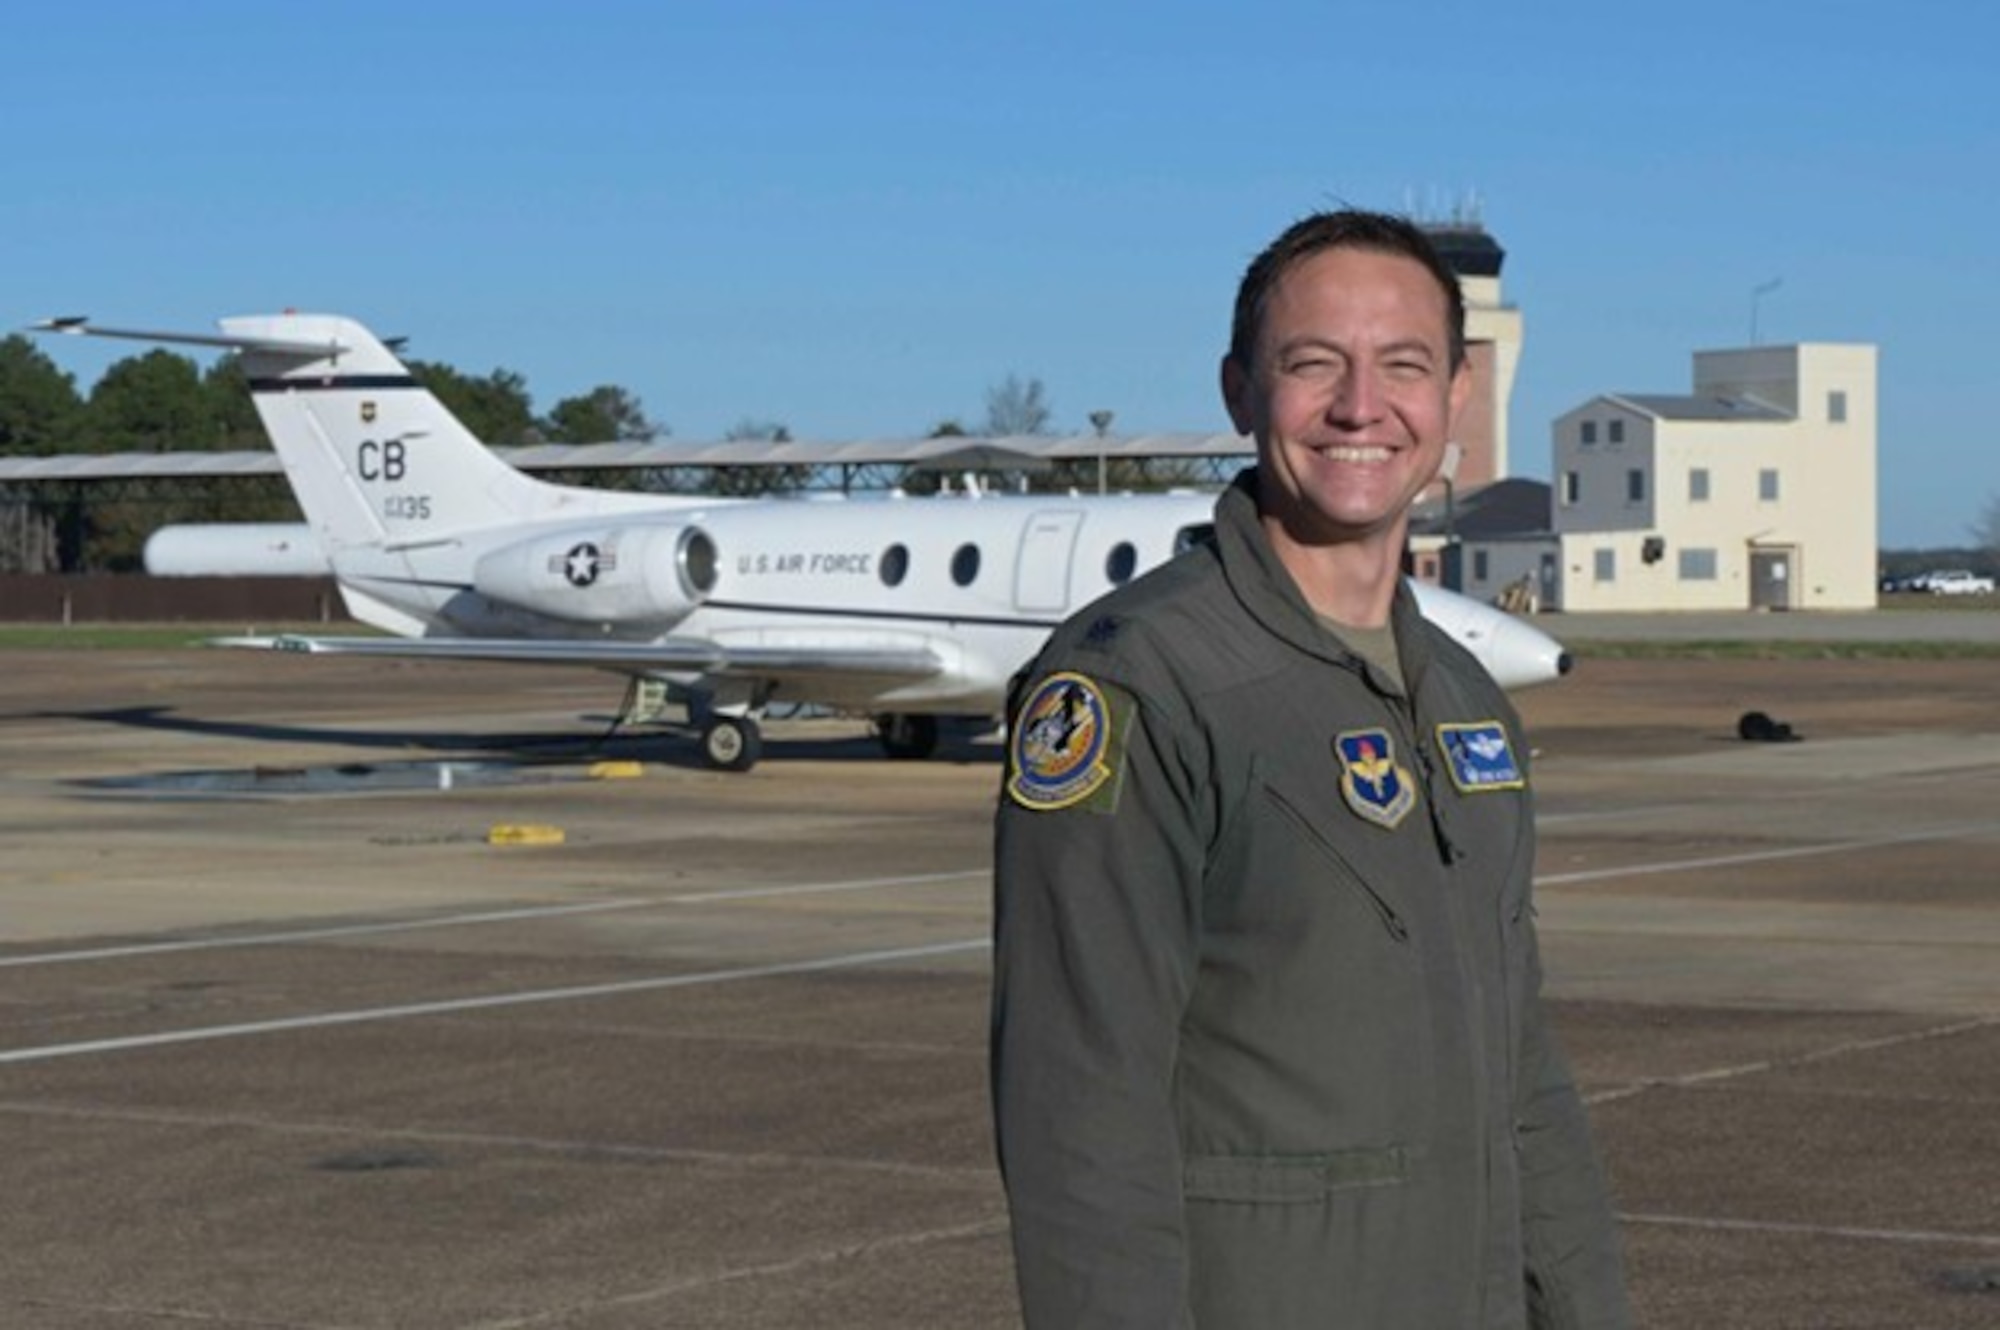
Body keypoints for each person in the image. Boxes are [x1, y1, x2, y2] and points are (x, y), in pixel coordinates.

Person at [989, 209, 1632, 1328]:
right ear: (1241, 393)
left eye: (1402, 365)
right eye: (1311, 364)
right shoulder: (1140, 683)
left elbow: (1522, 1079)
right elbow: (1080, 1106)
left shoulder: (1466, 705)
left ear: (1454, 399)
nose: (1357, 407)